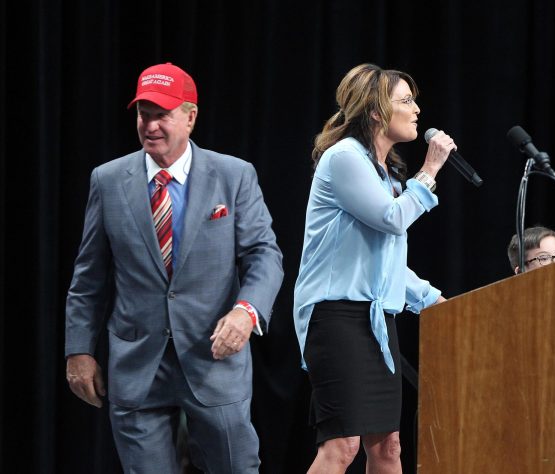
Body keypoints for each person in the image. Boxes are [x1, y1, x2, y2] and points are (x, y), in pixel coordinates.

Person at [64, 62, 283, 473]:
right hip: (136, 365)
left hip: (213, 358)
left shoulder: (233, 176)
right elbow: (88, 276)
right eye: (143, 114)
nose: (150, 125)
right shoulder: (108, 180)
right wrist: (79, 351)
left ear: (190, 116)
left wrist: (245, 310)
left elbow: (263, 255)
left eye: (161, 114)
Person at [293, 63, 452, 473]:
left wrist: (437, 302)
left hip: (376, 319)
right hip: (336, 317)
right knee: (342, 446)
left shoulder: (386, 174)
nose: (416, 109)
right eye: (405, 101)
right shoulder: (343, 158)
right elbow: (392, 219)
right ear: (377, 112)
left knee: (388, 448)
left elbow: (387, 265)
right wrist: (430, 171)